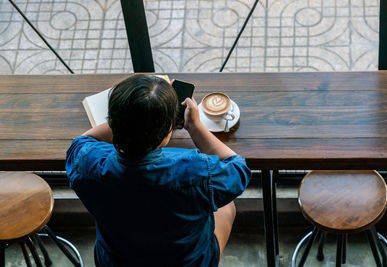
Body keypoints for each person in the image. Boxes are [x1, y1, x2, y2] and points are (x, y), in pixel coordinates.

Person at [66, 74, 251, 266]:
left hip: (117, 260)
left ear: (112, 120)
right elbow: (239, 169)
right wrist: (194, 126)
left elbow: (80, 141)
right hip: (187, 262)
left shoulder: (86, 162)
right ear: (168, 132)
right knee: (226, 206)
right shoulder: (196, 171)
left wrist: (130, 117)